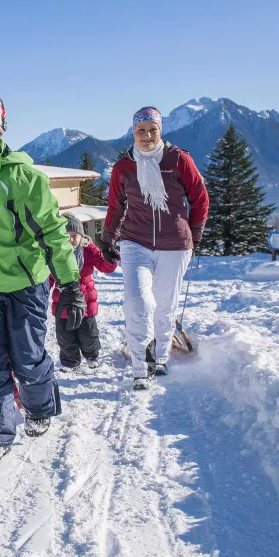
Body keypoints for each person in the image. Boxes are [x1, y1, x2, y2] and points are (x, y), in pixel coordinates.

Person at [0, 86, 86, 463]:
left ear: (0, 127)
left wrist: (71, 284)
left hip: (25, 283)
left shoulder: (22, 177)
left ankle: (40, 407)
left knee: (27, 357)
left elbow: (53, 231)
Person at [99, 106, 209, 390]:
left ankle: (161, 358)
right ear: (133, 132)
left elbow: (200, 199)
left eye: (152, 130)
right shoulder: (124, 166)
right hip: (135, 242)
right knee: (138, 302)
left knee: (164, 306)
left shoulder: (178, 160)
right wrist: (107, 239)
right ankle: (140, 367)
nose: (147, 136)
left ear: (161, 131)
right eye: (141, 130)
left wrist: (193, 236)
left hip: (175, 245)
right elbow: (115, 206)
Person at [50, 216, 117, 371]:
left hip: (86, 303)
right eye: (66, 236)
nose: (71, 240)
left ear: (82, 236)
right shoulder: (56, 253)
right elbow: (49, 277)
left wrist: (110, 257)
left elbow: (106, 266)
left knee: (88, 334)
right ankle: (69, 361)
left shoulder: (88, 250)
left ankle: (91, 355)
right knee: (65, 337)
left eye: (75, 236)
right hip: (63, 303)